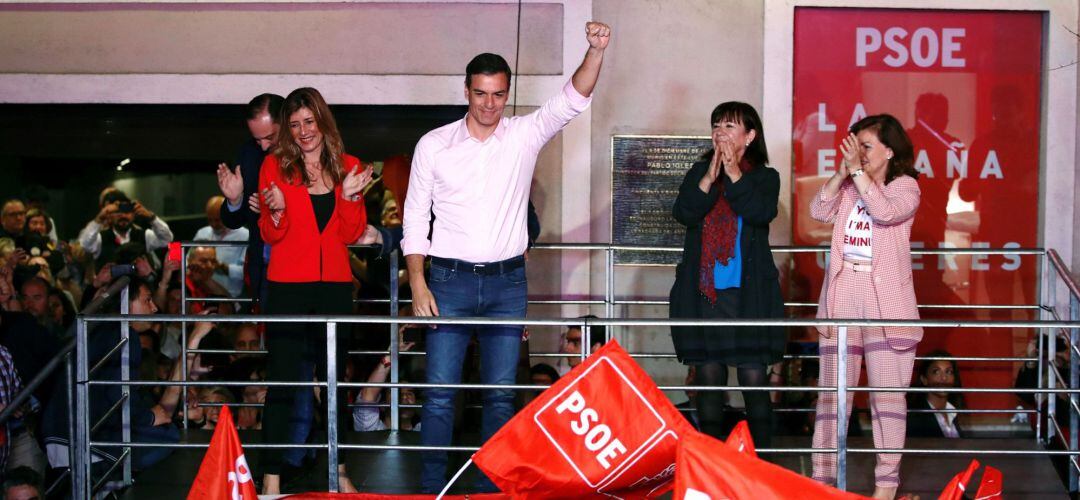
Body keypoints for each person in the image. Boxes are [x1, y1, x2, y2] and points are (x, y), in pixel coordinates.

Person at [402, 21, 610, 492]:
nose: (490, 104)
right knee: (438, 396)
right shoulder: (434, 145)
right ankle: (431, 488)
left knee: (500, 396)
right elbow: (414, 217)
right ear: (467, 91)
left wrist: (595, 52)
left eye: (498, 95)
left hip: (507, 284)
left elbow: (571, 101)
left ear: (507, 93)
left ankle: (492, 490)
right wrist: (418, 281)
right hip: (448, 282)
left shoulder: (523, 135)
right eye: (481, 94)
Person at [256, 87, 371, 495]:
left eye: (309, 121)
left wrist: (352, 196)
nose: (304, 132)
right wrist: (277, 210)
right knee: (284, 383)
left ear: (322, 121)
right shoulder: (274, 166)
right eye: (294, 125)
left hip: (335, 290)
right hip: (287, 289)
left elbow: (351, 233)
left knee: (335, 384)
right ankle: (270, 478)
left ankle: (338, 470)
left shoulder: (350, 166)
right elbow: (271, 234)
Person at [809, 114, 921, 500]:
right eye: (854, 145)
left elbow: (887, 213)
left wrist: (859, 174)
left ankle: (885, 489)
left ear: (890, 150)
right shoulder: (851, 186)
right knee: (832, 396)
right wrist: (843, 174)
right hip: (843, 296)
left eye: (867, 145)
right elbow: (818, 211)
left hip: (886, 302)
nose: (858, 152)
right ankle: (822, 483)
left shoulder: (905, 186)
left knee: (888, 399)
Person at [668, 101, 786, 448]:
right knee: (708, 376)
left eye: (730, 126)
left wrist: (734, 174)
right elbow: (685, 213)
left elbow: (759, 212)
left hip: (748, 296)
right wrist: (709, 176)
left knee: (753, 379)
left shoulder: (766, 177)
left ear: (750, 135)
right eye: (716, 124)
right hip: (705, 294)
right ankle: (711, 462)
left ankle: (762, 463)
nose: (721, 132)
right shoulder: (699, 173)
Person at [217, 93, 285, 308]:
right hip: (264, 267)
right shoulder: (248, 153)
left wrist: (279, 207)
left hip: (305, 268)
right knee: (273, 338)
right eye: (258, 139)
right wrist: (235, 199)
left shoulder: (309, 153)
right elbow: (234, 221)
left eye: (270, 137)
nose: (264, 146)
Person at [78, 191, 174, 268]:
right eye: (117, 212)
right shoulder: (101, 238)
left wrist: (151, 217)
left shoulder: (144, 235)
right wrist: (99, 218)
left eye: (127, 211)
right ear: (110, 215)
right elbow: (85, 244)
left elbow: (166, 239)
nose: (123, 215)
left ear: (134, 214)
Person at [194, 196, 249, 298]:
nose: (213, 224)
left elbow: (247, 272)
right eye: (210, 220)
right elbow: (188, 261)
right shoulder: (202, 233)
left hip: (232, 298)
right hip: (202, 294)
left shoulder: (244, 236)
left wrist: (222, 267)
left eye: (217, 220)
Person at [906, 351, 963, 438]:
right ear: (924, 379)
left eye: (949, 372)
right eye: (936, 372)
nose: (944, 378)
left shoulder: (953, 412)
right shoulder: (915, 418)